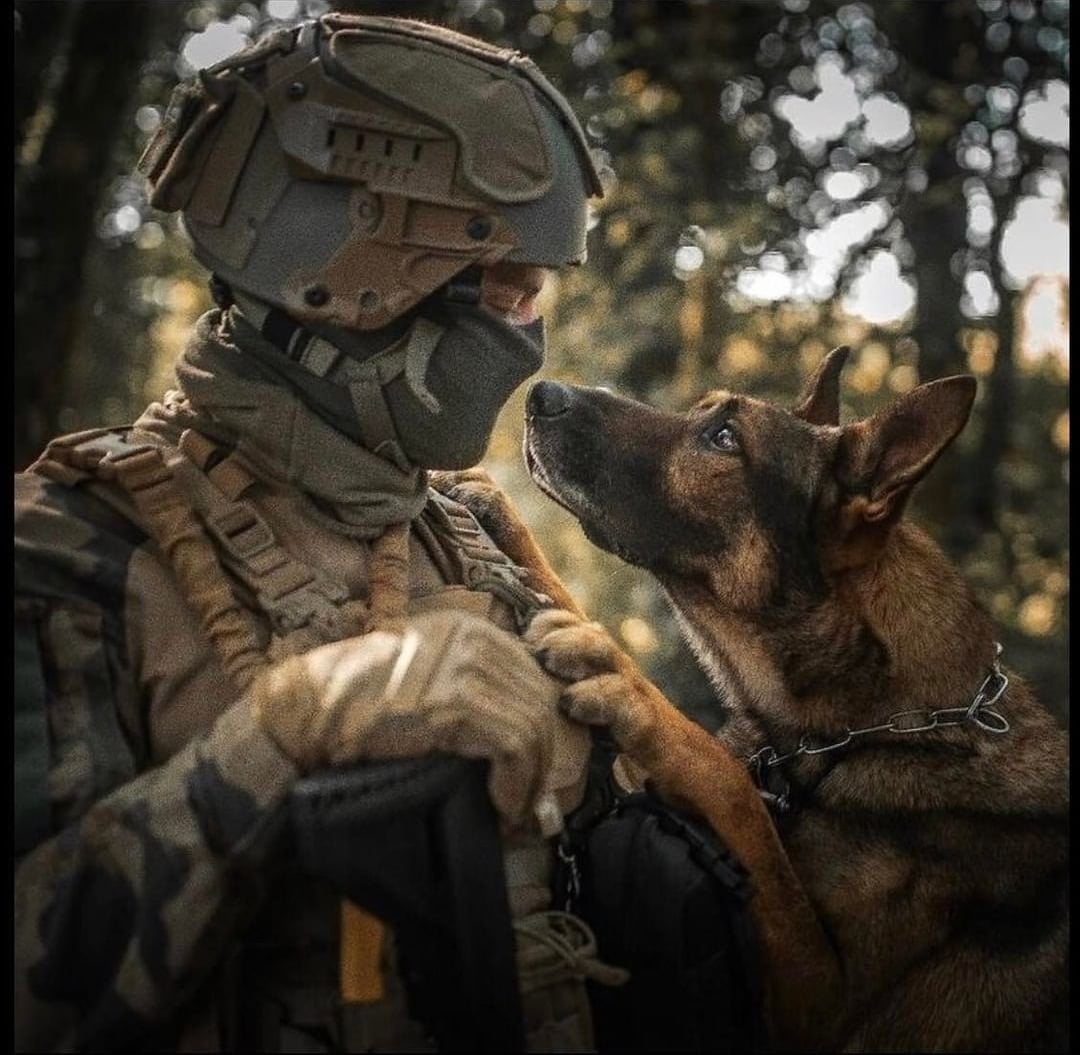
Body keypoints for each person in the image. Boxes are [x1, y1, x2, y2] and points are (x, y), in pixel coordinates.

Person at [14, 13, 610, 1051]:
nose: (525, 332)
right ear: (339, 271)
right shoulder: (67, 549)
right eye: (500, 286)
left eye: (536, 291)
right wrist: (284, 731)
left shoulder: (469, 535)